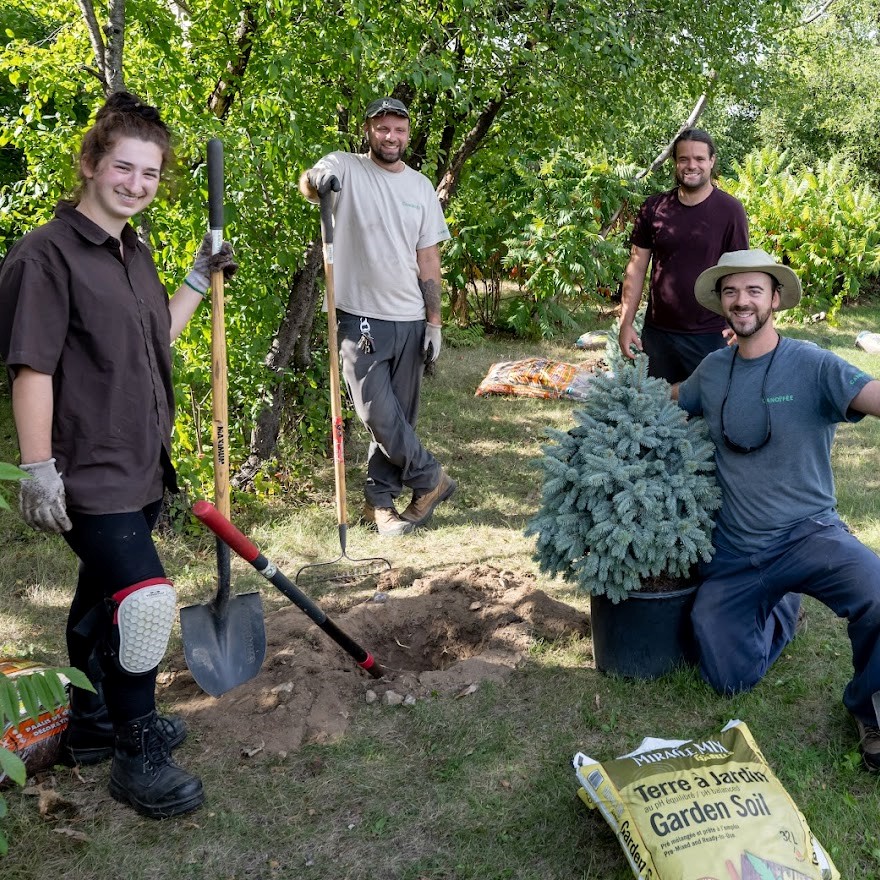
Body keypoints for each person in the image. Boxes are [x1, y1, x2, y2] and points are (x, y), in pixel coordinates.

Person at [0, 91, 237, 817]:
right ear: (91, 164)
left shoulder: (132, 252)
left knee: (99, 595)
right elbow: (32, 368)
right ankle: (136, 751)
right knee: (144, 600)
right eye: (123, 168)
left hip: (137, 458)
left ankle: (93, 725)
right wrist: (38, 467)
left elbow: (152, 337)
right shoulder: (46, 256)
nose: (137, 184)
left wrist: (197, 276)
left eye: (152, 173)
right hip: (85, 466)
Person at [672, 248, 880, 772]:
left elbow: (872, 394)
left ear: (775, 299)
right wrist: (613, 393)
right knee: (728, 678)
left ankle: (871, 711)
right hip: (737, 552)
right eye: (731, 292)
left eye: (753, 291)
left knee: (878, 593)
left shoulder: (812, 364)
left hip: (809, 534)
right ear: (722, 302)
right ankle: (784, 605)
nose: (741, 301)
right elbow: (673, 398)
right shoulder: (713, 370)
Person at [299, 96, 456, 537]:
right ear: (368, 129)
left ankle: (379, 502)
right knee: (375, 411)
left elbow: (428, 258)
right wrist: (318, 180)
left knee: (399, 419)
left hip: (408, 317)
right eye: (383, 128)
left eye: (400, 129)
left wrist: (434, 322)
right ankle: (430, 479)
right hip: (360, 316)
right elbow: (309, 183)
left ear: (408, 133)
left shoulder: (421, 187)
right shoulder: (345, 167)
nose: (392, 137)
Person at [619, 128, 749, 383]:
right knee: (655, 413)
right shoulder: (654, 207)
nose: (692, 165)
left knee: (708, 414)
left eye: (700, 159)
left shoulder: (730, 210)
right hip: (658, 335)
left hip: (711, 335)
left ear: (711, 161)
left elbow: (740, 273)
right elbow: (636, 268)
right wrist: (626, 323)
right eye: (683, 159)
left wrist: (738, 323)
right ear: (675, 163)